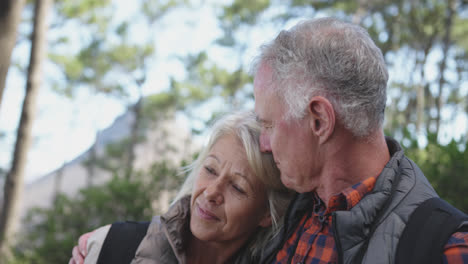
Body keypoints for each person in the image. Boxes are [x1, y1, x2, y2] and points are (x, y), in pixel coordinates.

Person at [252, 17, 468, 263]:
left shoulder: (447, 251)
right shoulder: (278, 207)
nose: (264, 145)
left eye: (268, 125)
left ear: (319, 121)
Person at [69, 111, 293, 264]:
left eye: (237, 187)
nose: (212, 192)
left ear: (266, 213)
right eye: (211, 170)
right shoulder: (111, 244)